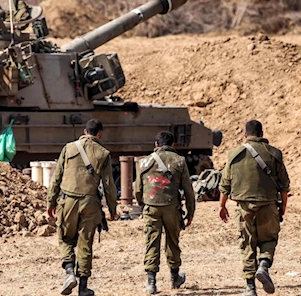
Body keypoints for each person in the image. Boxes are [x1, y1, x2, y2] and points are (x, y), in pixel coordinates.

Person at [46, 119, 119, 296]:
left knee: (65, 238)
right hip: (90, 203)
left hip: (67, 201)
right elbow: (109, 186)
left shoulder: (69, 148)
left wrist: (51, 202)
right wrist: (113, 210)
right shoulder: (103, 153)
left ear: (85, 131)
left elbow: (57, 177)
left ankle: (70, 273)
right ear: (99, 133)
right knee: (85, 243)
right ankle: (83, 288)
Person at [218, 120, 290, 296]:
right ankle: (264, 265)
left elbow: (225, 184)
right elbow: (284, 186)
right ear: (262, 133)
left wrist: (222, 205)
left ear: (245, 134)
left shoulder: (234, 155)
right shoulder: (274, 154)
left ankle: (250, 287)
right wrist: (283, 207)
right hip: (269, 205)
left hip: (243, 207)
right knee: (269, 239)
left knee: (246, 243)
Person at [135, 130, 196, 294]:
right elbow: (189, 191)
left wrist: (144, 205)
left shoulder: (144, 162)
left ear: (156, 144)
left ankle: (151, 282)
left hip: (151, 206)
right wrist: (190, 212)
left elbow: (138, 190)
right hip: (172, 207)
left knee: (151, 241)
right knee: (172, 242)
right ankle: (174, 278)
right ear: (173, 145)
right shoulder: (180, 161)